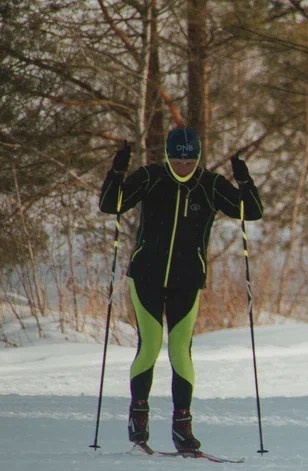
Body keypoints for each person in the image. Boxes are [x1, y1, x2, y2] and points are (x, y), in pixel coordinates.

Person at [97, 127, 263, 452]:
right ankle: (139, 416)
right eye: (177, 156)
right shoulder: (151, 177)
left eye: (189, 156)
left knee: (179, 351)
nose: (183, 163)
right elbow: (111, 204)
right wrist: (117, 171)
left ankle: (182, 428)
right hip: (146, 276)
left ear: (197, 156)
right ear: (168, 156)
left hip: (187, 280)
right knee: (150, 345)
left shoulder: (210, 185)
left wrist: (244, 179)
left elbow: (250, 211)